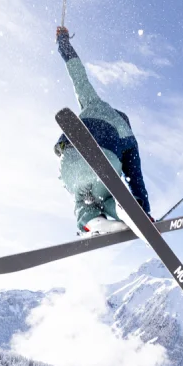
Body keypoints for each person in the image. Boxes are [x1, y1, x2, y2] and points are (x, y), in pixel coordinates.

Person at [54, 26, 152, 235]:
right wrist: (144, 211)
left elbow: (77, 73)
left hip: (72, 156)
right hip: (105, 162)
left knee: (82, 199)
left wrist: (63, 42)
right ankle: (126, 211)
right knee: (112, 197)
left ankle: (92, 220)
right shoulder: (129, 138)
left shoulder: (93, 102)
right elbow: (136, 177)